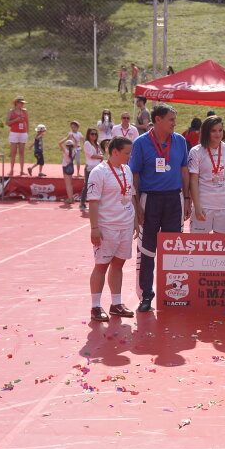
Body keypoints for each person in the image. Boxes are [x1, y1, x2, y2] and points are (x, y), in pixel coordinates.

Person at [129, 104, 191, 312]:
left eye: (175, 119)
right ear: (157, 120)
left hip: (174, 199)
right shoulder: (141, 143)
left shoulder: (181, 141)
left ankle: (174, 293)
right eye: (171, 120)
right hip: (150, 200)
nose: (174, 123)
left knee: (173, 248)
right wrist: (137, 204)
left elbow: (184, 171)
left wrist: (187, 198)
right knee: (147, 250)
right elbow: (134, 176)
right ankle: (146, 295)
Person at [87, 136, 140, 320]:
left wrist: (134, 221)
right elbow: (93, 202)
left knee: (118, 265)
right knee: (101, 266)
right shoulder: (99, 172)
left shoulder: (126, 169)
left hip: (125, 226)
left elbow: (130, 196)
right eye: (127, 153)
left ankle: (116, 304)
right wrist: (94, 228)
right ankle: (95, 306)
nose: (130, 156)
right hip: (107, 227)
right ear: (115, 152)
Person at [188, 115, 225, 234]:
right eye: (213, 131)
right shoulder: (196, 151)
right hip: (204, 205)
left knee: (222, 248)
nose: (218, 134)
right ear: (206, 132)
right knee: (198, 246)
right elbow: (193, 181)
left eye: (220, 130)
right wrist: (197, 206)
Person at [80, 127, 103, 212]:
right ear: (88, 135)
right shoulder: (87, 143)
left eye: (95, 134)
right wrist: (100, 157)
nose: (94, 135)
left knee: (98, 185)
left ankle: (96, 202)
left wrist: (101, 157)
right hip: (90, 167)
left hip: (97, 167)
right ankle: (82, 203)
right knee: (87, 185)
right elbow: (91, 155)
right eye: (92, 134)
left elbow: (100, 153)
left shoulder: (97, 144)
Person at [6, 97, 29, 176]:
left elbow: (27, 122)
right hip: (14, 133)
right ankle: (11, 170)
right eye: (21, 103)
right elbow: (7, 123)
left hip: (23, 133)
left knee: (22, 152)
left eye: (23, 103)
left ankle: (22, 170)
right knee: (13, 152)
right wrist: (16, 119)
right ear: (16, 103)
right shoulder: (11, 112)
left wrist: (27, 133)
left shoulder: (25, 111)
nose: (22, 104)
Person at [58, 137, 80, 208]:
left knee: (68, 185)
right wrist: (73, 137)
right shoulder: (75, 150)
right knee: (70, 184)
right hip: (71, 167)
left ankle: (70, 199)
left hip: (66, 167)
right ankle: (71, 198)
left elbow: (59, 143)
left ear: (67, 145)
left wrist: (67, 138)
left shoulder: (66, 151)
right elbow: (77, 142)